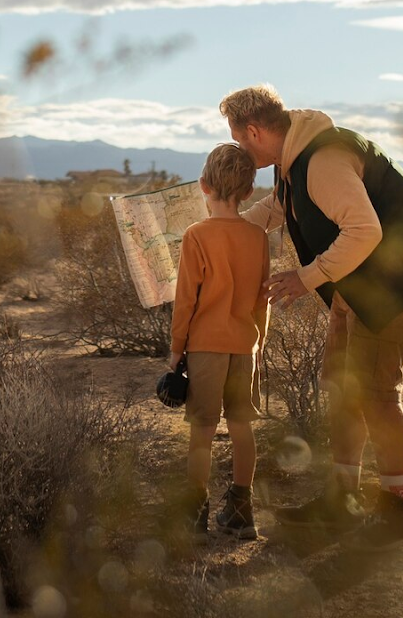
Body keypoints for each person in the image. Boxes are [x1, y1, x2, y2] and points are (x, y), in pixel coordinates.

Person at [220, 84, 403, 551]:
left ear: (253, 131)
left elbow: (365, 231)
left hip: (395, 280)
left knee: (377, 393)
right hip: (360, 277)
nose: (242, 152)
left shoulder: (322, 161)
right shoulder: (292, 159)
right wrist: (223, 226)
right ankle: (342, 500)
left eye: (241, 141)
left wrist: (307, 278)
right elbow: (280, 209)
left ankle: (396, 511)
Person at [169, 142, 272, 541]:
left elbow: (185, 301)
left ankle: (195, 516)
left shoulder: (196, 235)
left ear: (203, 186)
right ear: (249, 192)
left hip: (205, 348)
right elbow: (263, 299)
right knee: (243, 427)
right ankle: (242, 514)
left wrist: (176, 350)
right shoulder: (258, 237)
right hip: (245, 346)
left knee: (202, 431)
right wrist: (258, 342)